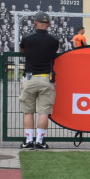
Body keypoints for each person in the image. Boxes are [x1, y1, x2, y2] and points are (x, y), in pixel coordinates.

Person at [19, 12, 59, 149]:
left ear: (35, 23)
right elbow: (55, 51)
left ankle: (28, 141)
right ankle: (40, 142)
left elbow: (21, 49)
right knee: (44, 112)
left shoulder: (27, 37)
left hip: (29, 78)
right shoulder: (54, 40)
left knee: (28, 111)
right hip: (47, 79)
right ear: (48, 24)